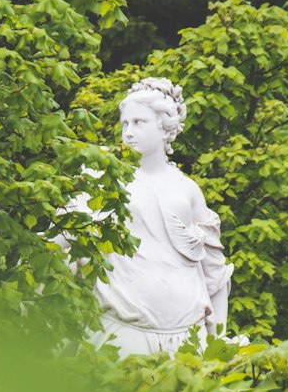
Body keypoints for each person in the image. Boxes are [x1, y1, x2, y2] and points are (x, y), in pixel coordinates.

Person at [74, 77, 234, 356]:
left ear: (164, 128)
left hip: (186, 333)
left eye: (139, 122)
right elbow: (66, 241)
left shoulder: (187, 189)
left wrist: (217, 339)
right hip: (122, 327)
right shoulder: (104, 180)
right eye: (125, 124)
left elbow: (215, 273)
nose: (128, 132)